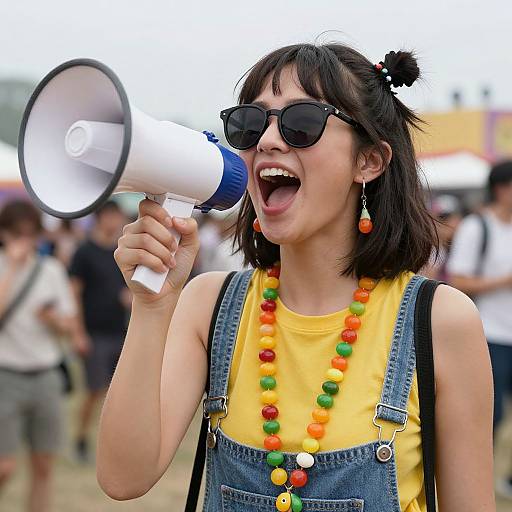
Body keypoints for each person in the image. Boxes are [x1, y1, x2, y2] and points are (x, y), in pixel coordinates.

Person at [96, 44, 494, 511]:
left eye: (301, 122)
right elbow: (123, 477)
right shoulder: (209, 305)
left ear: (369, 161)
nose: (267, 140)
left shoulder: (439, 321)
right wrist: (152, 307)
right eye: (250, 122)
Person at [0, 199, 77, 512]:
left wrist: (55, 321)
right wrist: (15, 268)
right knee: (4, 466)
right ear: (4, 234)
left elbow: (69, 323)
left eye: (31, 234)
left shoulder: (51, 270)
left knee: (44, 465)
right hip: (6, 374)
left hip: (46, 374)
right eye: (17, 234)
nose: (24, 241)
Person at [447, 160, 512, 497]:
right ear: (502, 188)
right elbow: (458, 280)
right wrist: (504, 281)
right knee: (491, 415)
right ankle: (475, 480)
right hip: (488, 335)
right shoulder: (477, 227)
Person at [68, 200, 129, 463]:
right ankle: (81, 439)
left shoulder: (121, 251)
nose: (115, 221)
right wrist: (78, 332)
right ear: (100, 218)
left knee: (119, 392)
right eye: (111, 216)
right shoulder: (84, 252)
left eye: (118, 216)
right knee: (94, 391)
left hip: (120, 330)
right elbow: (74, 293)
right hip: (94, 332)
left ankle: (113, 446)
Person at [421, 194, 462, 281]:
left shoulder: (446, 248)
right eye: (441, 218)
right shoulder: (431, 251)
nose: (449, 223)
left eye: (448, 218)